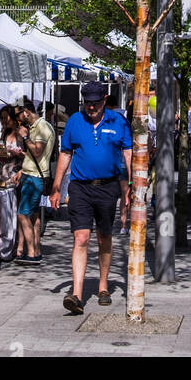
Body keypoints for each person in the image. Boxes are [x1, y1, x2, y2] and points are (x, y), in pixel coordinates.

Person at [49, 81, 132, 312]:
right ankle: (76, 294)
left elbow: (127, 153)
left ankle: (103, 285)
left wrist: (131, 186)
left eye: (95, 103)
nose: (91, 108)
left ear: (104, 100)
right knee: (81, 238)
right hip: (80, 187)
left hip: (108, 187)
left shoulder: (118, 121)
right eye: (88, 103)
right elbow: (66, 153)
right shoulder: (75, 121)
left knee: (104, 238)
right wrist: (56, 186)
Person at [15, 97, 55, 263]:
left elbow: (38, 151)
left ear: (26, 112)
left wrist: (25, 137)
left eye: (20, 116)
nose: (19, 121)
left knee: (22, 215)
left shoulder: (42, 127)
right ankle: (35, 249)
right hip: (31, 174)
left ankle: (31, 253)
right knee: (34, 216)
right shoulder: (36, 127)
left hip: (34, 177)